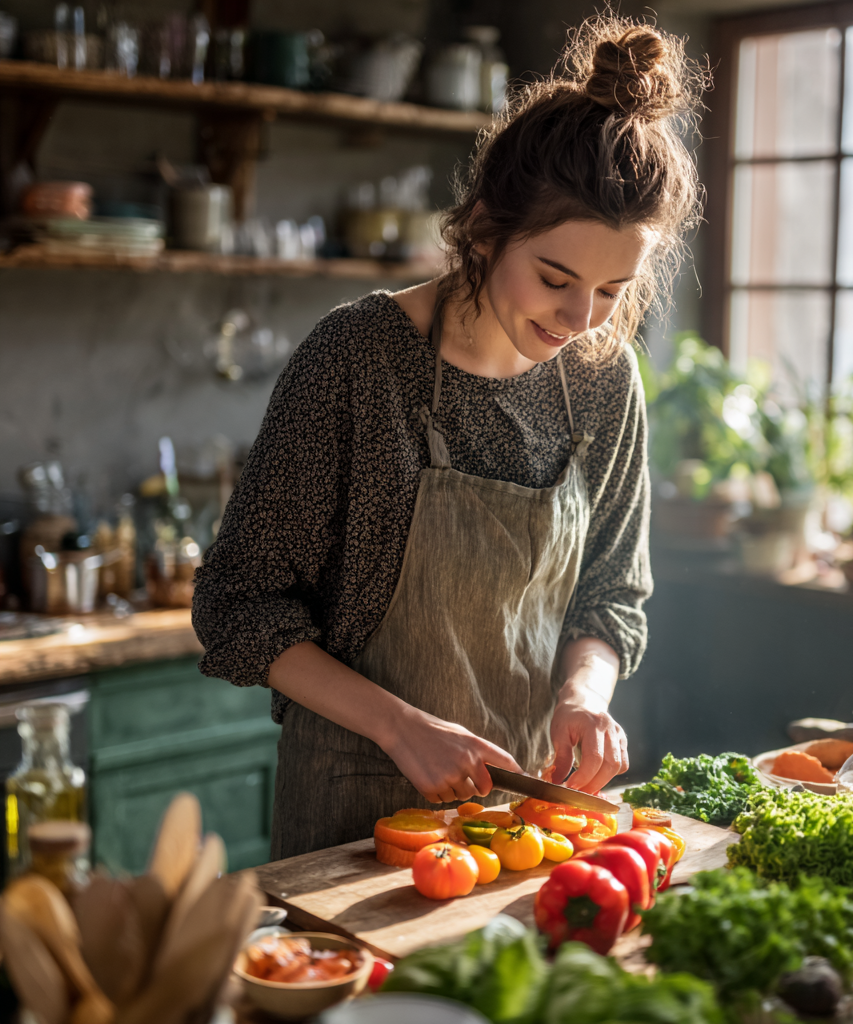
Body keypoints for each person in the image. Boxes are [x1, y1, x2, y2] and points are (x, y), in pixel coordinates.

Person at [192, 14, 703, 860]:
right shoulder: (357, 359)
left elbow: (613, 591)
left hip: (529, 824)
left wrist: (584, 693)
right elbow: (236, 607)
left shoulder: (604, 378)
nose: (581, 320)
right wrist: (401, 728)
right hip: (353, 819)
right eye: (554, 278)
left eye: (614, 289)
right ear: (481, 229)